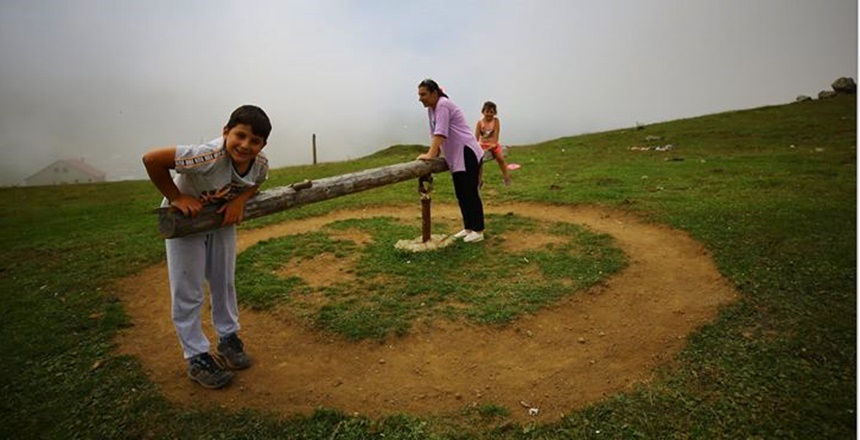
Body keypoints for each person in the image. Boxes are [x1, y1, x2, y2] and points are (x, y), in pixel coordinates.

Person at [141, 105, 272, 389]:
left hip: (220, 219)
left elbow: (256, 183)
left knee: (224, 281)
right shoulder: (206, 156)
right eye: (240, 135)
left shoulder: (259, 163)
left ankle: (228, 340)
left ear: (263, 144)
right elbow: (152, 159)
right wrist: (176, 196)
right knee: (188, 288)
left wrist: (239, 201)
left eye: (255, 141)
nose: (245, 145)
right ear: (226, 131)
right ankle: (197, 356)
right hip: (186, 222)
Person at [416, 79, 485, 243]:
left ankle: (478, 230)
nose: (420, 98)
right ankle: (468, 227)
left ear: (434, 93)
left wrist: (431, 154)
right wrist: (437, 151)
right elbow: (434, 133)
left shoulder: (443, 105)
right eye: (419, 95)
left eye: (423, 94)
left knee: (470, 192)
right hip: (455, 156)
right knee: (461, 193)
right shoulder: (432, 109)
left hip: (466, 152)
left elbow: (441, 133)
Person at [475, 101, 511, 187]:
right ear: (483, 112)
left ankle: (506, 176)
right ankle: (479, 180)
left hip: (493, 144)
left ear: (495, 113)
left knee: (500, 159)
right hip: (482, 145)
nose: (489, 114)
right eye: (487, 111)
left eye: (491, 112)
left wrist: (493, 144)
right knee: (479, 161)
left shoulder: (496, 121)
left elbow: (496, 134)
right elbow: (476, 136)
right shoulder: (480, 122)